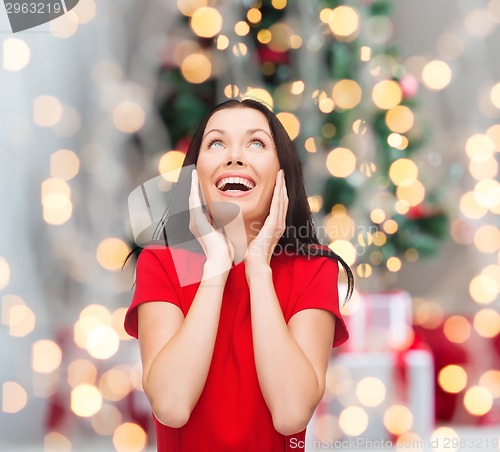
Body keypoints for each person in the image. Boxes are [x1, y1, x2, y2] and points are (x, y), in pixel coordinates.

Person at [124, 99, 353, 451]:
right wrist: (215, 265)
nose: (234, 157)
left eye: (257, 143)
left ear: (282, 173)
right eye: (216, 143)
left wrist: (258, 268)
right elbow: (171, 406)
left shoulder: (314, 268)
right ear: (195, 173)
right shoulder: (162, 262)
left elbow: (291, 414)